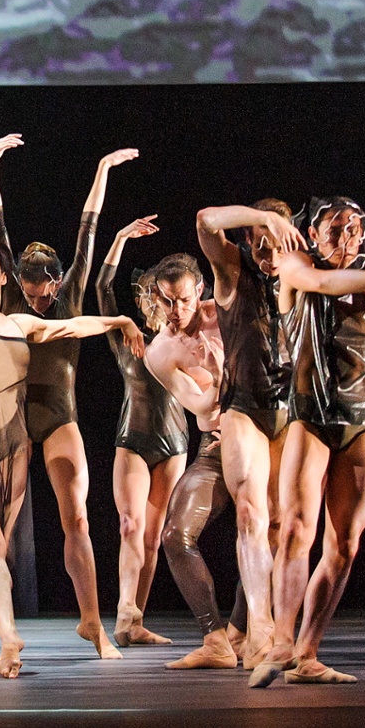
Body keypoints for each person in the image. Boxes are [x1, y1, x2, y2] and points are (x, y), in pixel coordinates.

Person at [0, 175, 146, 677]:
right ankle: (8, 632)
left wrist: (119, 322)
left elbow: (72, 323)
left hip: (19, 437)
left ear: (4, 278)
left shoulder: (22, 323)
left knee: (2, 542)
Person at [255, 197, 365, 686]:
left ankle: (308, 651)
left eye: (354, 228)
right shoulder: (296, 264)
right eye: (336, 228)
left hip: (362, 417)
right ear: (314, 234)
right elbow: (322, 285)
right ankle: (282, 640)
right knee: (295, 528)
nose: (346, 237)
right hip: (310, 414)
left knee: (346, 543)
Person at [0, 135, 137, 658]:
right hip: (14, 417)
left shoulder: (69, 295)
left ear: (54, 279)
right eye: (24, 284)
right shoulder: (8, 294)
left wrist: (102, 167)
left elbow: (87, 231)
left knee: (78, 518)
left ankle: (93, 623)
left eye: (40, 285)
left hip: (59, 415)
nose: (33, 293)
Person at [136, 254, 244, 670]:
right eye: (166, 302)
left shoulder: (229, 314)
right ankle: (215, 638)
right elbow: (199, 405)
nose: (176, 311)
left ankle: (240, 629)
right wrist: (220, 378)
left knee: (267, 533)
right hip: (216, 446)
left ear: (199, 289)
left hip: (266, 440)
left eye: (183, 300)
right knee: (175, 535)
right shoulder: (161, 351)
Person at [95, 215, 187, 648]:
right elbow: (100, 289)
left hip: (174, 443)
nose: (155, 303)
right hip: (132, 440)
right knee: (130, 525)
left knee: (152, 537)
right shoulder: (126, 336)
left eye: (161, 297)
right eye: (148, 296)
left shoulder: (183, 336)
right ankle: (124, 612)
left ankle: (136, 622)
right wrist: (118, 238)